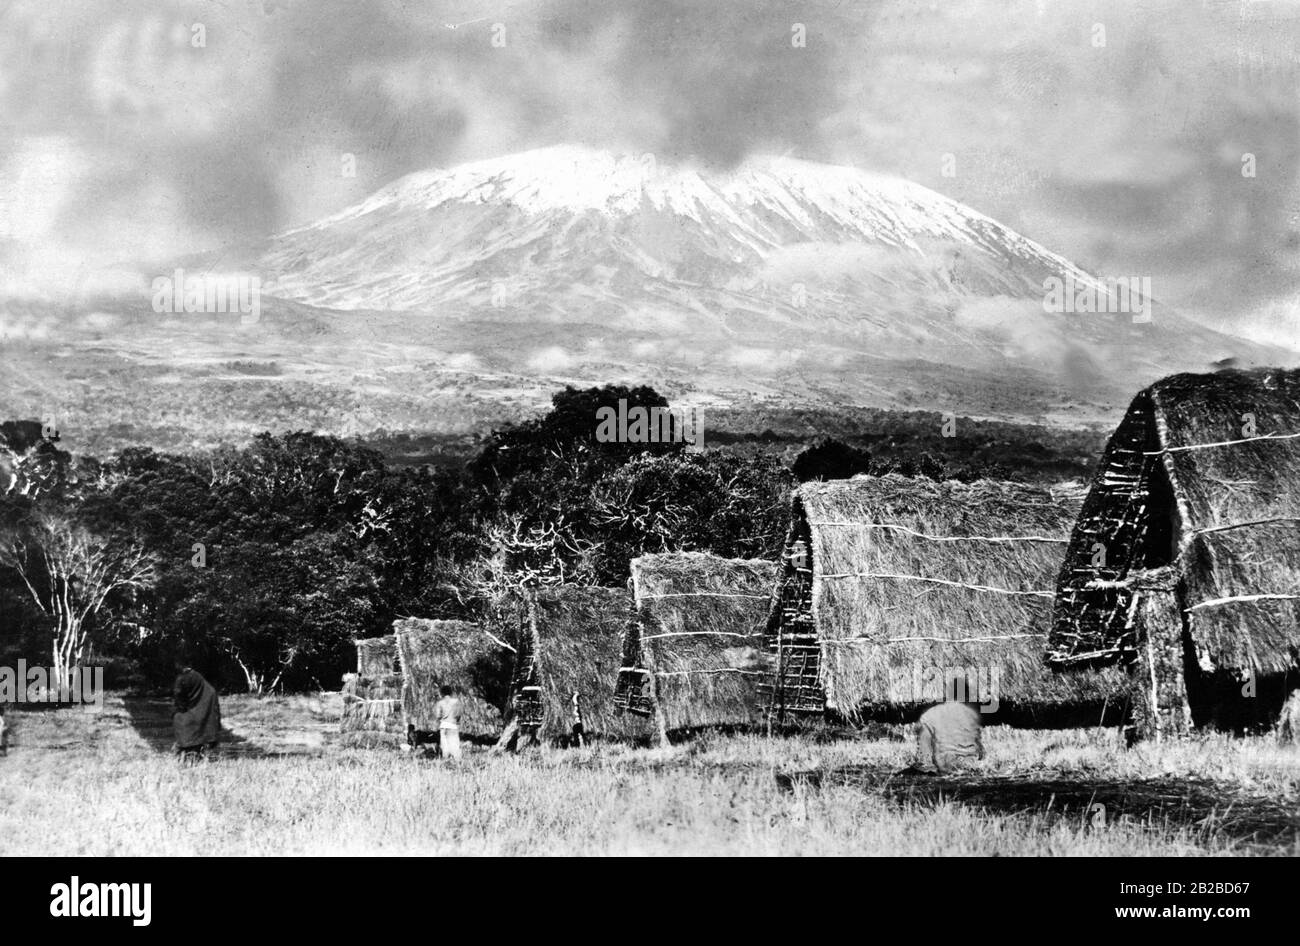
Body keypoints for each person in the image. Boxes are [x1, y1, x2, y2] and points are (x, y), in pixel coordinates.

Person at [915, 700, 984, 773]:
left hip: (947, 768)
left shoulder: (928, 716)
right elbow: (981, 752)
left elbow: (925, 759)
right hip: (972, 766)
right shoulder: (972, 714)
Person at [172, 659, 221, 761]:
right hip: (202, 703)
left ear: (179, 664)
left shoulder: (182, 678)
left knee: (181, 720)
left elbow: (179, 696)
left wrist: (180, 708)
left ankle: (190, 751)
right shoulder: (195, 675)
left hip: (203, 703)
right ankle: (192, 751)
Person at [433, 684, 463, 760]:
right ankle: (457, 764)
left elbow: (437, 716)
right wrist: (456, 721)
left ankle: (445, 764)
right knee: (455, 747)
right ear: (451, 692)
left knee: (445, 748)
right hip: (453, 725)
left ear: (442, 693)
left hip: (443, 726)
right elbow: (459, 714)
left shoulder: (440, 703)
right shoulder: (456, 702)